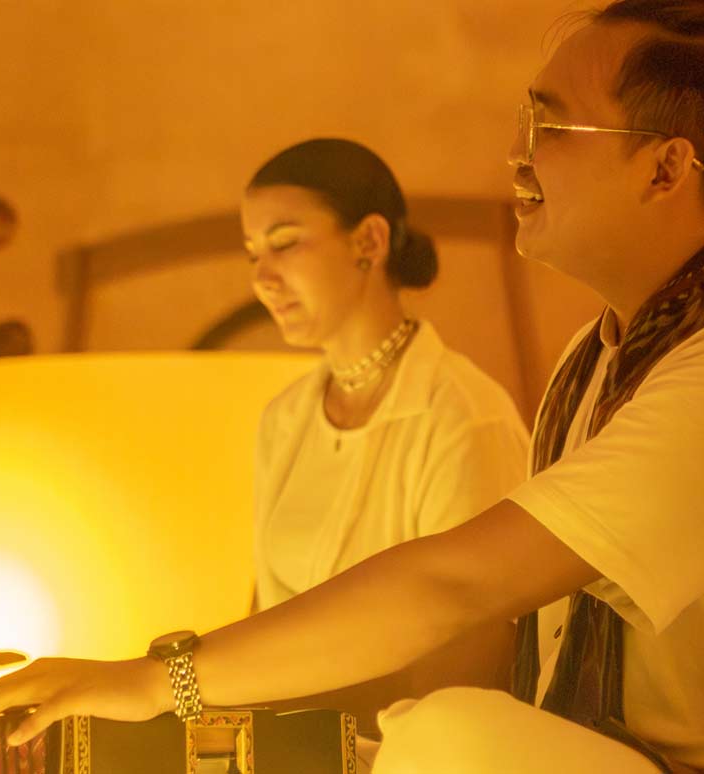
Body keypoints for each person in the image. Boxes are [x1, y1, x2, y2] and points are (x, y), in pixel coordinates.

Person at [0, 3, 704, 772]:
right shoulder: (595, 359)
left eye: (549, 125)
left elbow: (456, 589)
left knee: (444, 734)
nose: (517, 155)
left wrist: (159, 681)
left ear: (665, 170)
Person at [242, 138, 529, 733]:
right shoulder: (283, 419)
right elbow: (261, 621)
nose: (263, 278)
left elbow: (473, 656)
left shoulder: (464, 417)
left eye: (285, 243)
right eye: (252, 255)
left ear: (369, 242)